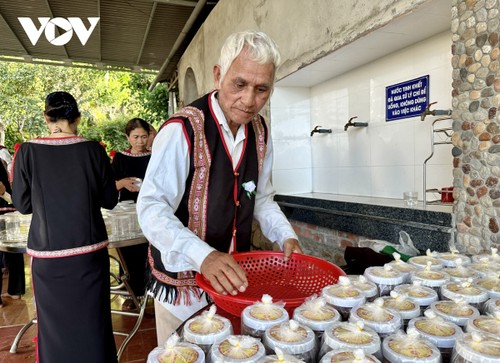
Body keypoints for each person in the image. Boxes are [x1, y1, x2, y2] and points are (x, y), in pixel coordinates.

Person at [137, 30, 303, 344]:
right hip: (184, 289)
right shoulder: (182, 130)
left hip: (236, 283)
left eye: (262, 89)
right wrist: (204, 256)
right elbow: (151, 210)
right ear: (218, 75)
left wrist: (285, 235)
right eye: (239, 84)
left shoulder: (261, 133)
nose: (250, 100)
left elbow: (261, 197)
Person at [12, 91, 119, 362]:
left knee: (54, 328)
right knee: (93, 323)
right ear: (78, 118)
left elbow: (23, 205)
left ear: (46, 117)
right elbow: (110, 200)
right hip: (89, 254)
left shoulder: (27, 151)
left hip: (49, 256)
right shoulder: (94, 150)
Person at [111, 118, 151, 309]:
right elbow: (109, 186)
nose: (140, 141)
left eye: (144, 136)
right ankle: (131, 293)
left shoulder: (154, 156)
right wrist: (122, 183)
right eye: (135, 137)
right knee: (128, 251)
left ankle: (151, 290)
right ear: (128, 137)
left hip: (150, 209)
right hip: (126, 211)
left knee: (148, 249)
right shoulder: (119, 158)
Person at [0, 160, 24, 308]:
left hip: (5, 208)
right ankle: (16, 290)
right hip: (9, 208)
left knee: (11, 250)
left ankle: (14, 290)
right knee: (13, 250)